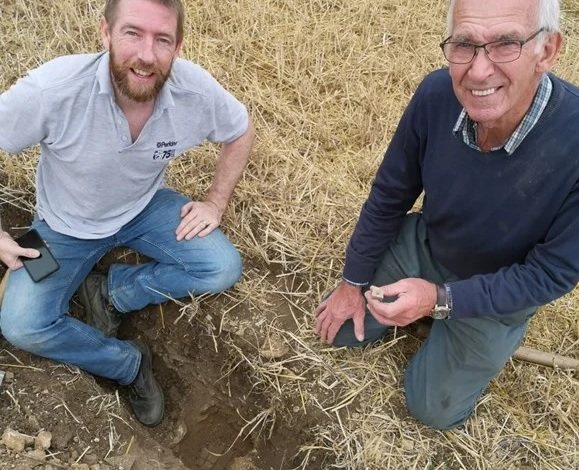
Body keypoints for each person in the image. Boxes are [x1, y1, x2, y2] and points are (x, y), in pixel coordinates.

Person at [315, 0, 578, 430]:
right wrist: (352, 282)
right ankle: (424, 315)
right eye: (465, 45)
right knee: (341, 330)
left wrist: (441, 300)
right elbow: (389, 196)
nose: (478, 71)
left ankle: (468, 331)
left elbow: (549, 276)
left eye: (506, 43)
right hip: (429, 245)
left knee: (431, 409)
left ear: (546, 50)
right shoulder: (436, 95)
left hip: (498, 289)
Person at [0, 0, 254, 427]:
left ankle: (112, 293)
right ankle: (128, 365)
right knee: (22, 325)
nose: (147, 54)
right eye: (133, 33)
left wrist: (215, 201)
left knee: (221, 266)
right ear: (105, 32)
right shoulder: (52, 91)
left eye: (163, 39)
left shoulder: (194, 92)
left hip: (143, 209)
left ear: (178, 46)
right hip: (62, 227)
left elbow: (240, 130)